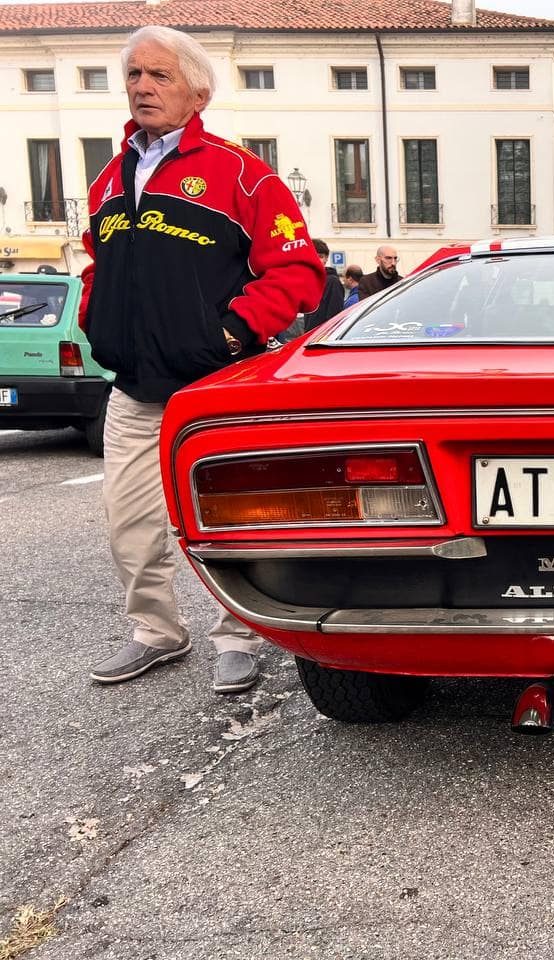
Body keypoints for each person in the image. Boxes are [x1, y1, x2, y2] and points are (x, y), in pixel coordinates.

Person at [81, 25, 324, 694]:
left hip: (218, 383)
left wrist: (231, 334)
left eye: (159, 75)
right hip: (135, 386)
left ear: (198, 93)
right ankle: (156, 632)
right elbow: (98, 262)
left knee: (229, 517)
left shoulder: (242, 173)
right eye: (134, 75)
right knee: (129, 523)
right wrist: (95, 320)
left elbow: (297, 270)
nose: (142, 87)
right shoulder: (110, 177)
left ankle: (237, 637)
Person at [301, 239, 346, 332]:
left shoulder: (332, 282)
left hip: (323, 335)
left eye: (320, 257)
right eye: (314, 256)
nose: (317, 260)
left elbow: (335, 316)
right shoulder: (309, 281)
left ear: (326, 259)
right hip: (309, 335)